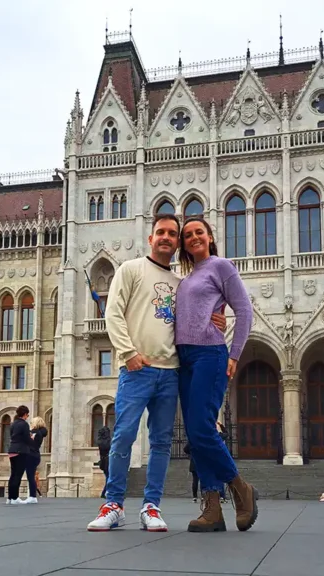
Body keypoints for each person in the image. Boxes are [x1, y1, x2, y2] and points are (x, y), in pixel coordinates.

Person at [87, 213, 225, 532]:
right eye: (160, 232)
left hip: (171, 371)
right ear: (151, 238)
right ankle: (114, 504)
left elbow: (194, 321)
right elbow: (113, 313)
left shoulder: (182, 284)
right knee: (123, 436)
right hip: (137, 369)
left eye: (172, 234)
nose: (166, 237)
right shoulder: (131, 269)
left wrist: (217, 321)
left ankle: (151, 506)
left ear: (177, 243)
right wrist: (128, 353)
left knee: (161, 442)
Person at [176, 215, 258, 533]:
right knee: (196, 435)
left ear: (210, 237)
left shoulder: (221, 266)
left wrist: (234, 353)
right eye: (188, 235)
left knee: (202, 428)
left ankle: (240, 488)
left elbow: (245, 310)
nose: (194, 237)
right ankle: (212, 509)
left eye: (200, 232)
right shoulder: (184, 278)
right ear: (184, 245)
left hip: (210, 353)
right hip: (185, 358)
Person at [17, 415, 47, 504]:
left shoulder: (34, 433)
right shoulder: (39, 433)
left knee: (30, 476)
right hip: (35, 455)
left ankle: (32, 496)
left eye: (32, 423)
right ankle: (32, 496)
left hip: (30, 455)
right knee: (31, 476)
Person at [6, 405, 32, 504]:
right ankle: (15, 498)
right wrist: (32, 439)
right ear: (25, 414)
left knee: (13, 474)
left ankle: (10, 498)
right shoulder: (24, 424)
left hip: (12, 450)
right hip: (21, 451)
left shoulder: (13, 424)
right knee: (18, 475)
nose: (27, 417)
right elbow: (26, 438)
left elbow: (13, 436)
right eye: (27, 415)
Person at [95, 426, 110, 499]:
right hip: (108, 461)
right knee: (109, 477)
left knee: (108, 477)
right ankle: (105, 493)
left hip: (103, 461)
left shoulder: (99, 441)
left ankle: (105, 492)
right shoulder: (107, 441)